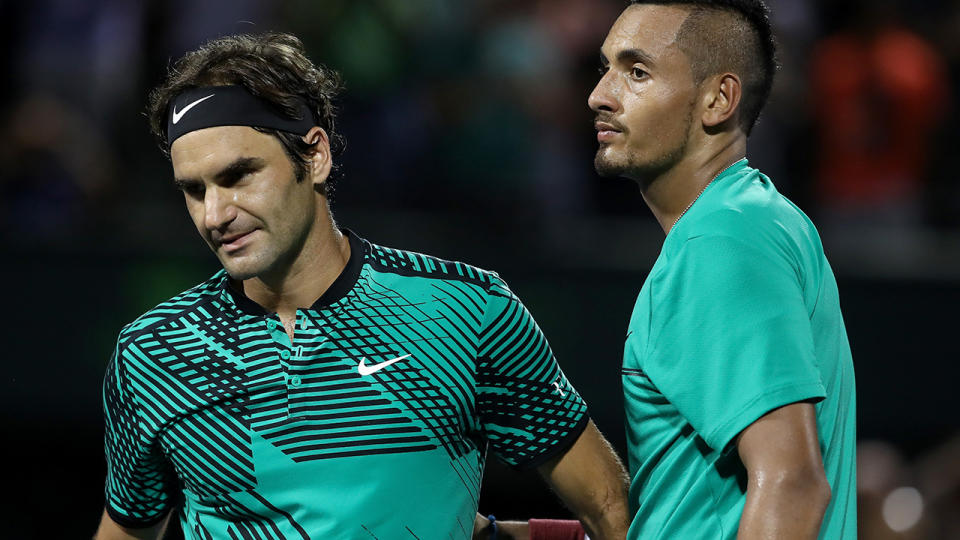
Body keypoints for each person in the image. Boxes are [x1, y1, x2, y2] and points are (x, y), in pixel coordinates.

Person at [94, 32, 629, 540]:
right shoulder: (151, 354)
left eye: (238, 176)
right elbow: (127, 528)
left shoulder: (469, 310)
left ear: (315, 155)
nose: (215, 214)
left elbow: (609, 507)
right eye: (194, 190)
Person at [587, 1, 856, 539]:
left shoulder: (723, 238)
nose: (600, 95)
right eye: (606, 68)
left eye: (637, 72)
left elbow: (793, 484)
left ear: (718, 99)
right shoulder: (757, 219)